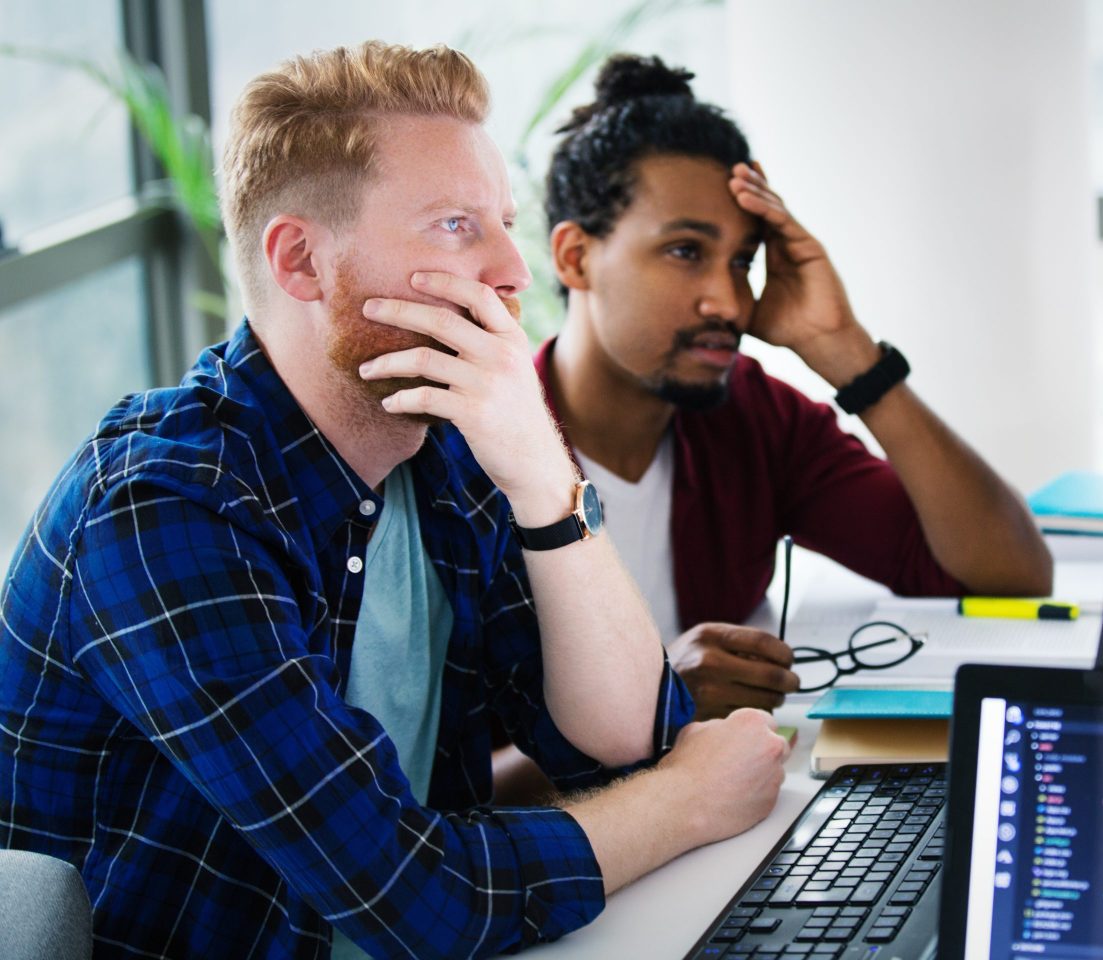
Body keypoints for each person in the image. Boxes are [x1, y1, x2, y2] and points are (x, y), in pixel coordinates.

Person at [0, 42, 788, 959]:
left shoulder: (442, 445)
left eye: (501, 220)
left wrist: (540, 472)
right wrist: (688, 801)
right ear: (301, 261)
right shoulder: (158, 508)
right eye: (456, 226)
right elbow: (416, 902)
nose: (512, 270)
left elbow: (620, 741)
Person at [537, 55, 1052, 721]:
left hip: (740, 815)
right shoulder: (473, 459)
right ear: (576, 256)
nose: (730, 302)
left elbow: (1010, 576)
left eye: (744, 261)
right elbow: (430, 781)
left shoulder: (751, 415)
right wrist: (655, 704)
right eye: (686, 251)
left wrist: (846, 352)